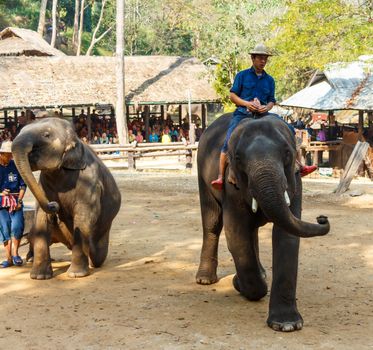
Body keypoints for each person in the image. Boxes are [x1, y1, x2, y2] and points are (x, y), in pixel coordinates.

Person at [211, 43, 317, 190]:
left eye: (265, 59)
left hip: (263, 114)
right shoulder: (242, 76)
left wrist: (266, 107)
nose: (263, 61)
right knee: (229, 139)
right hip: (243, 114)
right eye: (260, 58)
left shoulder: (270, 80)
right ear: (253, 58)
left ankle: (301, 165)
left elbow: (272, 100)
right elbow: (232, 95)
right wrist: (247, 104)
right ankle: (221, 176)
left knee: (290, 130)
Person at [0, 141, 26, 268]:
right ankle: (8, 258)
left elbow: (23, 185)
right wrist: (0, 193)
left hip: (16, 201)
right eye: (8, 154)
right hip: (1, 203)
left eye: (11, 154)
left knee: (17, 226)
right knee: (5, 228)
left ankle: (16, 254)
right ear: (1, 154)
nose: (10, 157)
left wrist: (20, 201)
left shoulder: (15, 165)